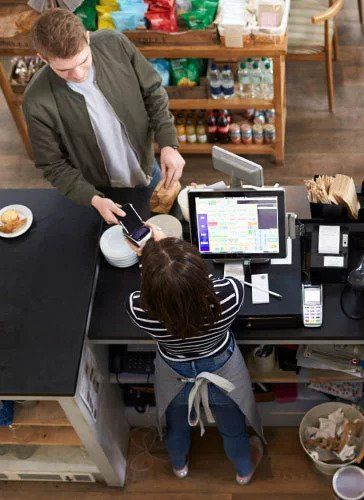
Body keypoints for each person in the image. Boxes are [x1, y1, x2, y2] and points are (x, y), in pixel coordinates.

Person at [125, 226, 264, 482]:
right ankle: (243, 472)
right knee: (233, 430)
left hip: (173, 374)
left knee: (176, 426)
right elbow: (224, 282)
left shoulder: (138, 308)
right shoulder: (229, 296)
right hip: (221, 370)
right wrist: (166, 251)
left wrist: (151, 259)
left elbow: (148, 292)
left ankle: (179, 466)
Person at [23, 9, 185, 224]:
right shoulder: (36, 101)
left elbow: (153, 92)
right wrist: (93, 199)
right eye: (65, 70)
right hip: (98, 189)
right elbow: (53, 165)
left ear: (88, 38)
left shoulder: (114, 43)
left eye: (83, 61)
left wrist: (168, 143)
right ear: (42, 58)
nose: (78, 74)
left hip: (146, 167)